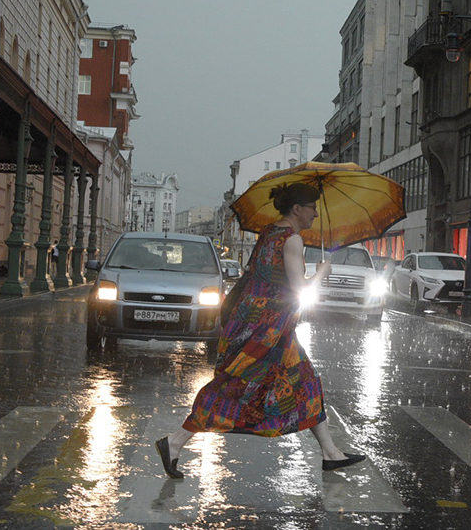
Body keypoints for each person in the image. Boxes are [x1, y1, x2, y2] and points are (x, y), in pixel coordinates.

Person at [156, 182, 365, 478]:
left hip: (256, 322)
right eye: (312, 208)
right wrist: (321, 273)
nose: (315, 215)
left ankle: (330, 452)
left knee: (305, 380)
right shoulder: (291, 240)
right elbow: (300, 288)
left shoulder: (269, 232)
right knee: (231, 388)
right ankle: (175, 442)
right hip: (264, 330)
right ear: (297, 209)